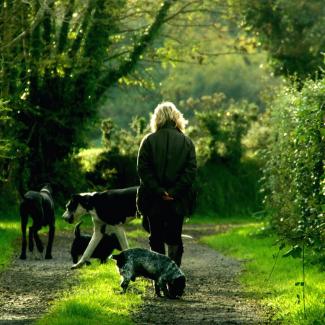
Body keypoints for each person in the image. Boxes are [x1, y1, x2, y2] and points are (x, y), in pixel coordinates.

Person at [136, 101, 197, 266]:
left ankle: (159, 280)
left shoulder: (148, 141)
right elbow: (190, 172)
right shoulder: (187, 142)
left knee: (155, 238)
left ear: (157, 119)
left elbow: (143, 170)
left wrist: (159, 191)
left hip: (153, 199)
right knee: (174, 237)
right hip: (178, 200)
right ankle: (174, 279)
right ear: (176, 118)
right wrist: (174, 192)